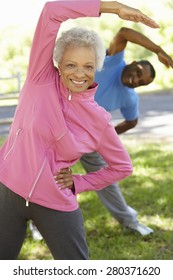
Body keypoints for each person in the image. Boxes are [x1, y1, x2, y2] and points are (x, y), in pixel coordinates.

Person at [0, 0, 159, 260]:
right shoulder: (40, 78)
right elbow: (52, 10)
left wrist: (80, 182)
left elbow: (123, 167)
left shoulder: (99, 119)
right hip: (7, 189)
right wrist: (114, 8)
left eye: (88, 66)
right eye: (71, 65)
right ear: (58, 63)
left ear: (97, 67)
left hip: (55, 201)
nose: (79, 74)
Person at [79, 27, 173, 236]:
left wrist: (104, 137)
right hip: (59, 125)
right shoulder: (112, 62)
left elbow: (132, 121)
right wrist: (158, 49)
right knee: (46, 174)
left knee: (106, 180)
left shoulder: (129, 97)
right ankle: (37, 222)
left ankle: (129, 221)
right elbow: (123, 32)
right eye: (139, 73)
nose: (136, 80)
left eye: (141, 83)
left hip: (87, 138)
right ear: (132, 63)